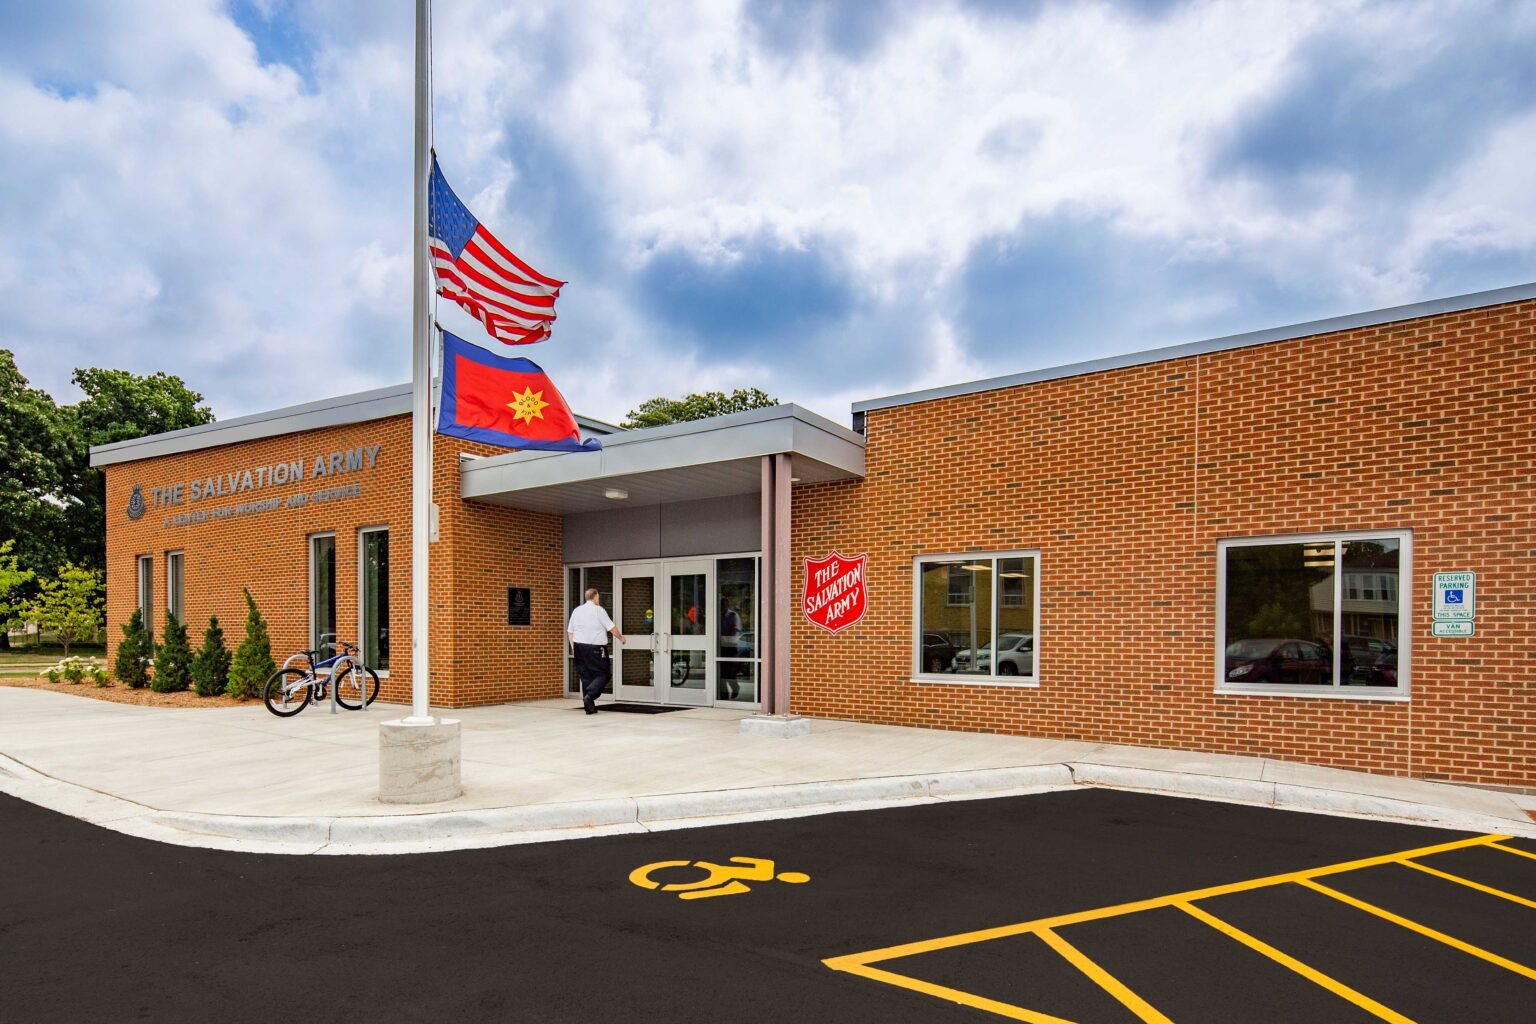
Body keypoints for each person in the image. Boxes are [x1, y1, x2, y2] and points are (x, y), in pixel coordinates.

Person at [568, 588, 625, 714]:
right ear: (595, 597)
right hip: (596, 648)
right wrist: (621, 638)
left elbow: (570, 631)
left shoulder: (577, 610)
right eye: (598, 597)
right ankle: (590, 696)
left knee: (586, 676)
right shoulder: (599, 610)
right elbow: (611, 627)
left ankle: (589, 707)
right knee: (604, 673)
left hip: (579, 647)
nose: (598, 599)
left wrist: (573, 646)